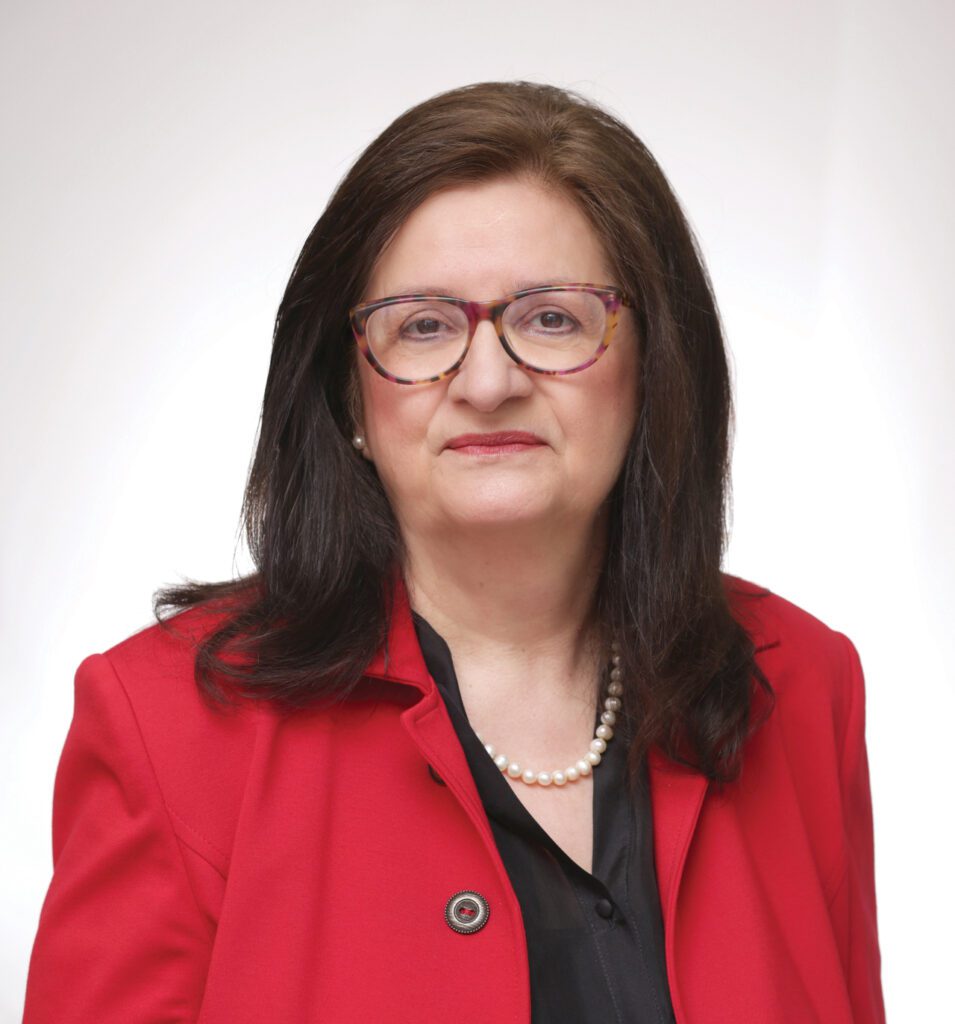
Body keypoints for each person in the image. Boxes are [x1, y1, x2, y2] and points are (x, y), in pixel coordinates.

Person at [23, 81, 885, 1023]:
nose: (487, 381)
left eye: (552, 318)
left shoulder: (800, 687)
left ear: (653, 367)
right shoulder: (168, 725)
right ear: (349, 397)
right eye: (423, 326)